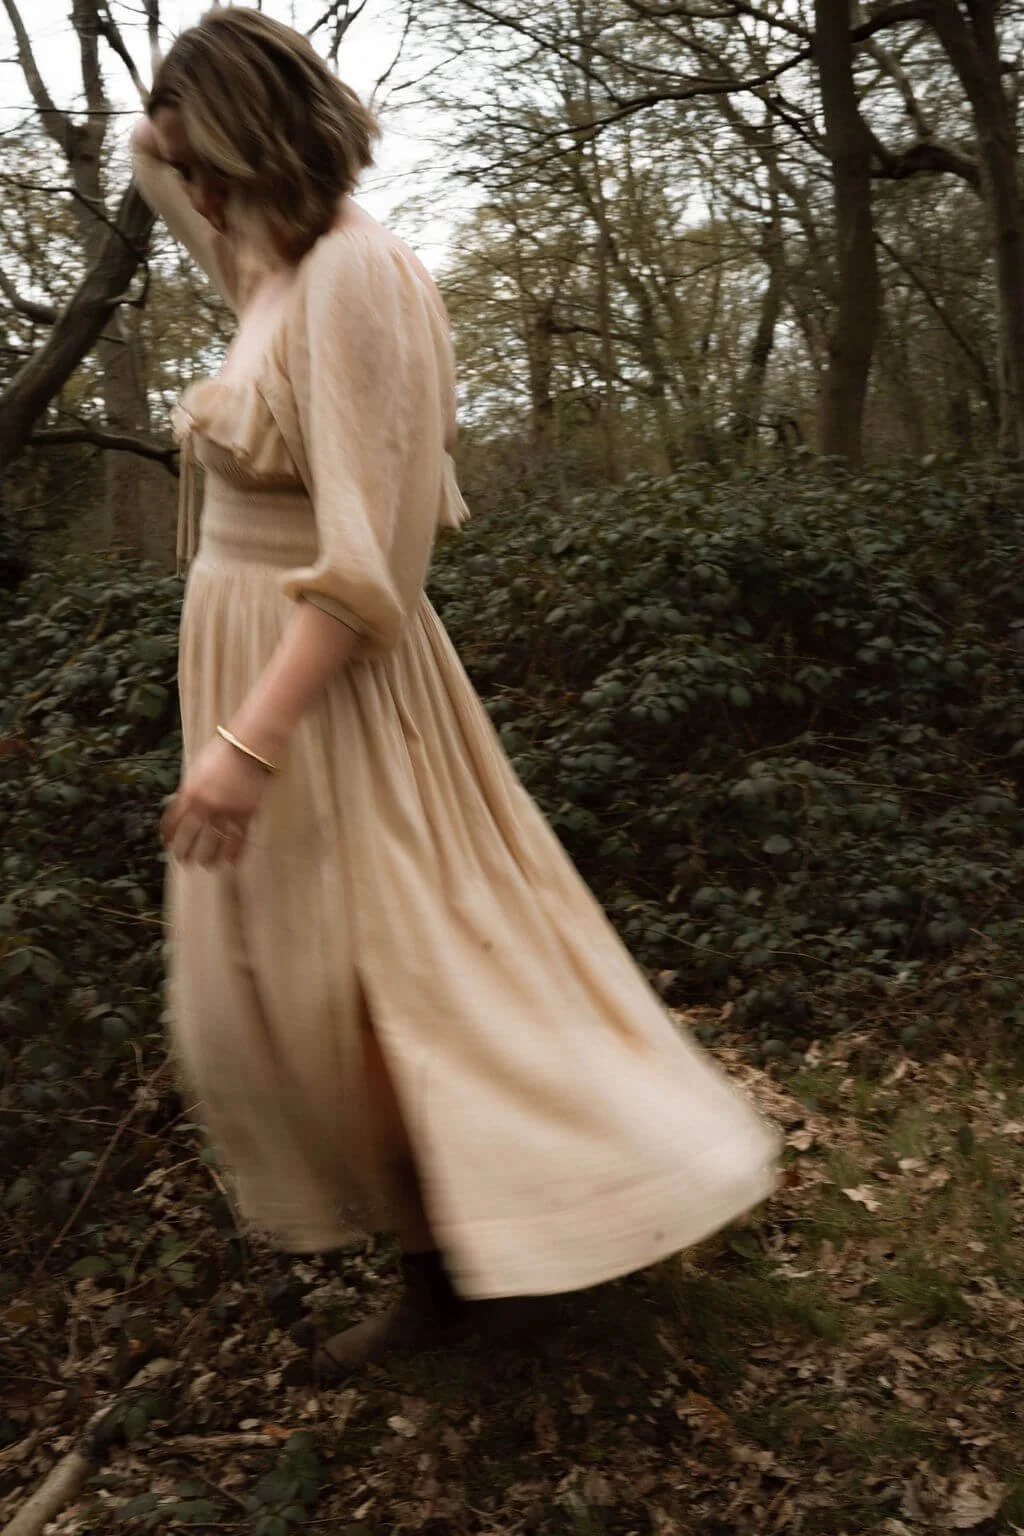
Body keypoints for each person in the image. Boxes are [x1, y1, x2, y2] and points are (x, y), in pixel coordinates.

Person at [131, 6, 779, 1377]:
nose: (186, 191)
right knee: (283, 1000)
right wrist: (181, 104)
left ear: (254, 147)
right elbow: (149, 156)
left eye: (209, 163)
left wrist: (251, 741)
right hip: (249, 670)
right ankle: (446, 1268)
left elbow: (370, 563)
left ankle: (505, 1263)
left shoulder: (356, 278)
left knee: (393, 980)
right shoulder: (261, 260)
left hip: (323, 687)